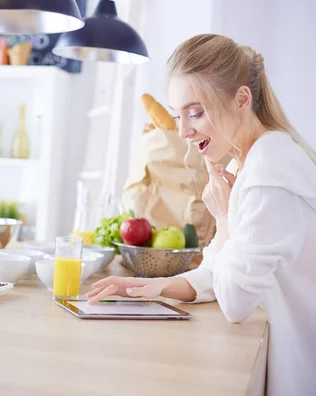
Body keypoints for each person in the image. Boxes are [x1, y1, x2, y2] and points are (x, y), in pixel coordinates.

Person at [87, 34, 316, 395]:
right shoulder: (252, 163)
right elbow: (218, 270)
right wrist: (148, 288)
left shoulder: (268, 174)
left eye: (196, 112)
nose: (183, 130)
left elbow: (236, 302)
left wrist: (224, 218)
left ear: (242, 99)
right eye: (178, 115)